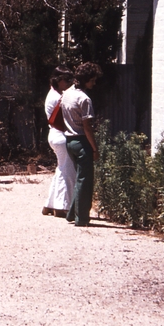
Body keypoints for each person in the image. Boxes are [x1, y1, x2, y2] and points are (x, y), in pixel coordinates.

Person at [60, 62, 103, 227]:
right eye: (92, 80)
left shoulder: (67, 93)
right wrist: (95, 148)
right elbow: (87, 127)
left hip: (69, 140)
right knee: (85, 181)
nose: (94, 83)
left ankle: (72, 213)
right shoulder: (84, 99)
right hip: (81, 140)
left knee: (80, 178)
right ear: (86, 80)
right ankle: (82, 218)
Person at [42, 66, 75, 218]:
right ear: (59, 81)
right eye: (67, 80)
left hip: (55, 135)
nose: (69, 83)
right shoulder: (58, 97)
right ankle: (61, 206)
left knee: (61, 168)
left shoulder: (53, 94)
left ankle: (50, 204)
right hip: (61, 135)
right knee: (67, 170)